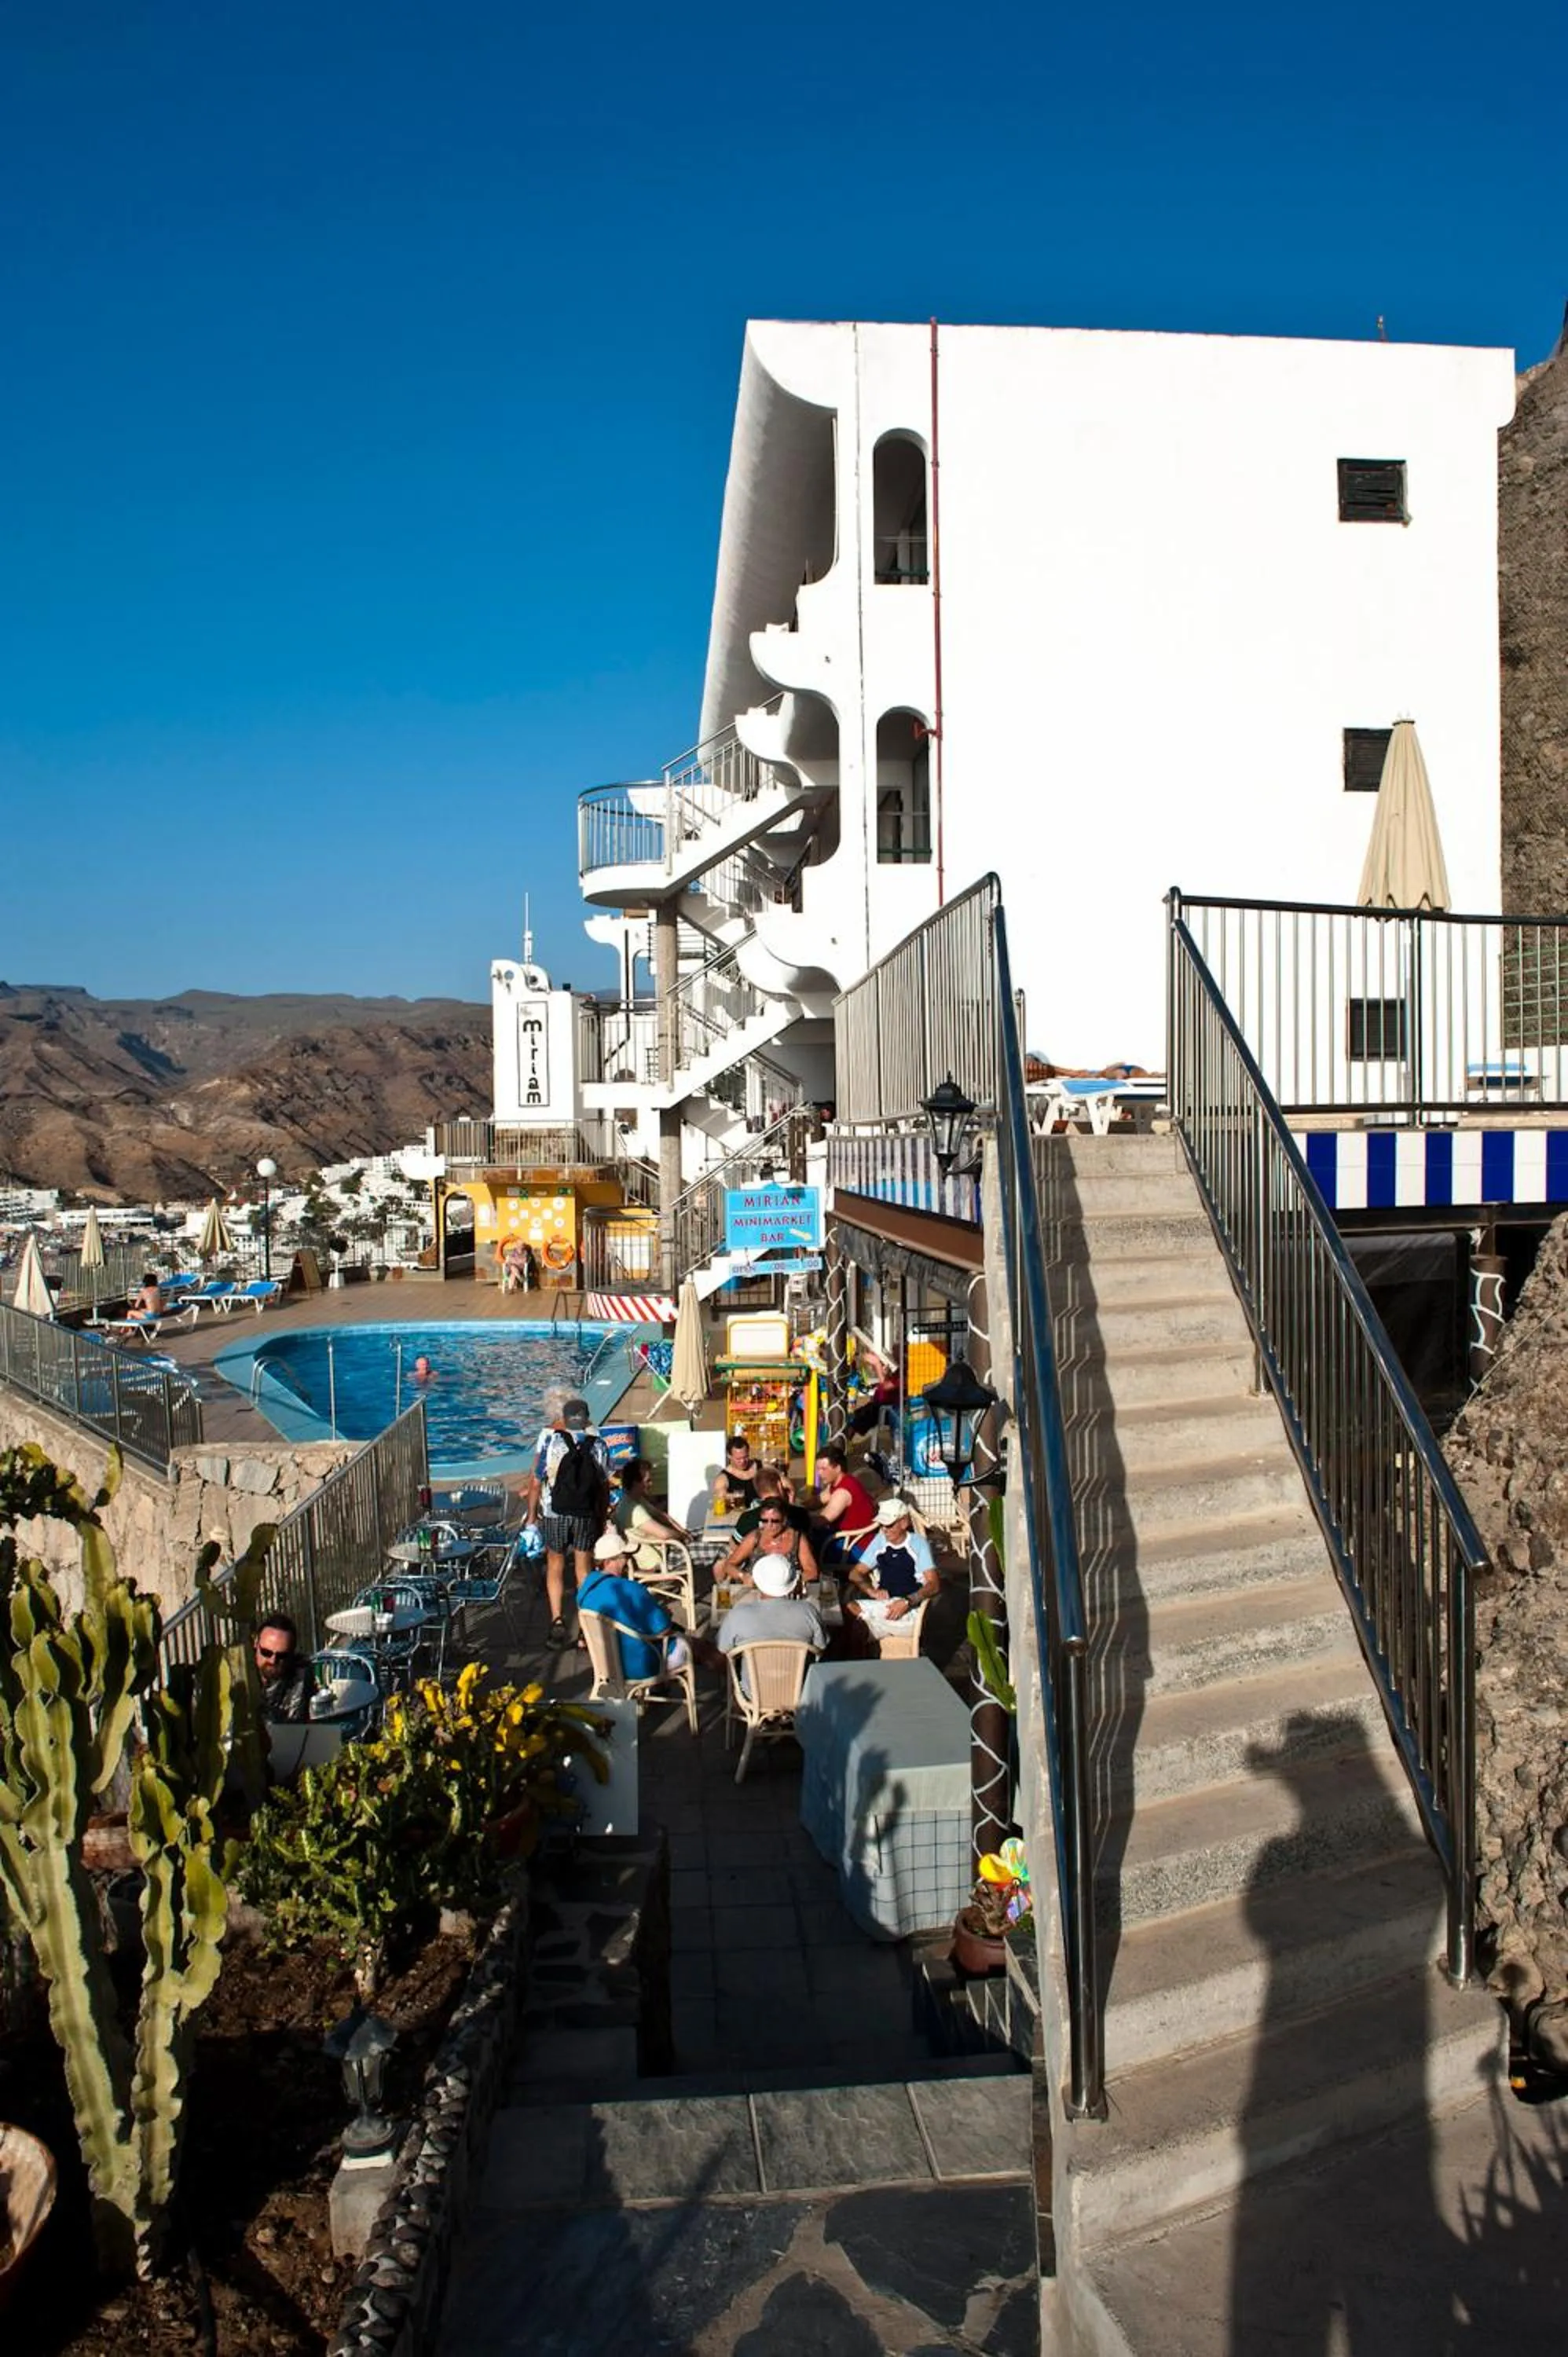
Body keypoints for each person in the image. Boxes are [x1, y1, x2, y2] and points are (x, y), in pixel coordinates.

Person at [525, 1394, 611, 1646]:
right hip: (585, 1514)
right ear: (586, 1420)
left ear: (563, 1419)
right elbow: (604, 1487)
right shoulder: (598, 1445)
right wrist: (602, 1516)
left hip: (555, 1513)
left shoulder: (552, 1442)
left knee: (555, 1565)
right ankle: (585, 1627)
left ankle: (557, 1620)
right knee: (584, 1569)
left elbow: (536, 1482)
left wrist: (532, 1516)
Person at [577, 1530, 685, 1679]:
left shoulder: (584, 1592)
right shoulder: (631, 1589)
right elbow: (663, 1630)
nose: (629, 1561)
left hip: (606, 1665)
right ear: (608, 1562)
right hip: (642, 1665)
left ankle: (660, 1688)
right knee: (695, 1647)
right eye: (625, 1557)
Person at [716, 1553, 826, 1692]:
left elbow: (723, 1648)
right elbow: (820, 1648)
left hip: (754, 1694)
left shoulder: (738, 1614)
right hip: (800, 1691)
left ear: (758, 1581)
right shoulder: (808, 1611)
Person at [847, 1497, 940, 1643]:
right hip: (884, 1605)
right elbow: (855, 1573)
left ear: (904, 1523)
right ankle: (871, 1629)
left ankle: (869, 1629)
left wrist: (907, 1601)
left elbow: (934, 1585)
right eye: (881, 1525)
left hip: (911, 1608)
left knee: (856, 1627)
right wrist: (871, 1591)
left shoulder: (918, 1544)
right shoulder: (880, 1541)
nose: (884, 1530)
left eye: (889, 1525)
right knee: (850, 1609)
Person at [718, 1490, 818, 1589]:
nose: (769, 1525)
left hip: (788, 1590)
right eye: (765, 1521)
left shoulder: (797, 1539)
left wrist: (789, 1582)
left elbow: (812, 1572)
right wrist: (743, 1576)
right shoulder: (755, 1537)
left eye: (775, 1521)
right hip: (757, 1590)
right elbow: (729, 1565)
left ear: (784, 1520)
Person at [614, 1456, 694, 1562]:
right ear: (636, 1483)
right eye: (648, 1481)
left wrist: (682, 1532)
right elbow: (665, 1534)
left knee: (704, 1535)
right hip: (662, 1558)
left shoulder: (636, 1500)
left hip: (668, 1547)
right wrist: (682, 1536)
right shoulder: (633, 1510)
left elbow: (661, 1515)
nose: (651, 1484)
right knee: (716, 1547)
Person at [811, 1444, 879, 1567]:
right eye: (818, 1469)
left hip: (857, 1549)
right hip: (853, 1540)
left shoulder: (843, 1492)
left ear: (838, 1468)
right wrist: (794, 1505)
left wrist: (796, 1518)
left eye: (823, 1469)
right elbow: (818, 1500)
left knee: (807, 1542)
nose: (819, 1474)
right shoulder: (840, 1482)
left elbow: (821, 1520)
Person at [253, 1612, 317, 1724]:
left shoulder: (302, 1676)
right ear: (256, 1644)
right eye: (266, 1652)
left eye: (281, 1656)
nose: (272, 1661)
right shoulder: (239, 1674)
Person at [717, 1432, 760, 1512]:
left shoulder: (759, 1466)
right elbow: (720, 1495)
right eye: (738, 1459)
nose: (743, 1461)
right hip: (739, 1515)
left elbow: (780, 1477)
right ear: (729, 1456)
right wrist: (731, 1497)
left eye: (745, 1457)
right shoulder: (723, 1477)